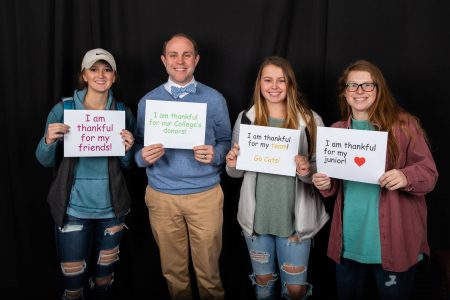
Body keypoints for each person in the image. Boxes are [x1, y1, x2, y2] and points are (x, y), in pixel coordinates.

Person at [312, 60, 438, 300]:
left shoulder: (404, 125)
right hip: (349, 244)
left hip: (395, 243)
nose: (360, 91)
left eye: (367, 85)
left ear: (379, 89)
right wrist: (325, 184)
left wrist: (405, 175)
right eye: (353, 85)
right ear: (345, 92)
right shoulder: (336, 131)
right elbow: (334, 184)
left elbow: (429, 174)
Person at [134, 33, 231, 300]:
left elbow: (226, 142)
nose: (180, 61)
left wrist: (216, 155)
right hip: (162, 197)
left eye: (187, 55)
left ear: (196, 60)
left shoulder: (214, 99)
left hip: (205, 196)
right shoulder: (147, 102)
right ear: (164, 61)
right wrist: (143, 157)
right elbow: (136, 148)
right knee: (174, 275)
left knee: (209, 275)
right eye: (173, 55)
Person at [225, 56, 329, 300]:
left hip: (295, 221)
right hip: (257, 219)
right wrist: (231, 163)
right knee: (263, 285)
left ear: (291, 84)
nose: (274, 86)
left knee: (294, 291)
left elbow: (320, 175)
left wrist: (306, 171)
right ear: (259, 84)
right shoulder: (246, 119)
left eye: (281, 81)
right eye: (268, 80)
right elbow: (235, 173)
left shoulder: (311, 120)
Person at [36, 48, 136, 300]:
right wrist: (48, 140)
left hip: (112, 211)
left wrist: (128, 149)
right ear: (84, 75)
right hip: (73, 210)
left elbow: (127, 165)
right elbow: (44, 159)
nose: (100, 75)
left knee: (104, 281)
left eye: (107, 69)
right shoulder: (64, 109)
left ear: (114, 76)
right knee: (73, 286)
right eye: (94, 69)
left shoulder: (122, 113)